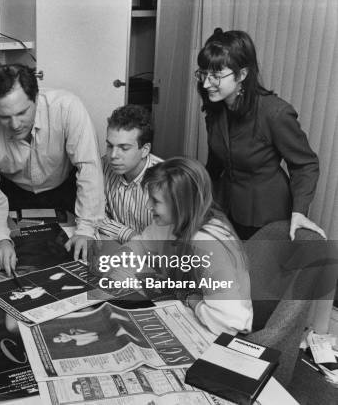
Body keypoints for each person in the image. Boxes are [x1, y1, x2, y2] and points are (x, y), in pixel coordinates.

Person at [0, 64, 105, 274]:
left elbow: (89, 169)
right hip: (14, 191)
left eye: (22, 112)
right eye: (4, 116)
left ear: (36, 97)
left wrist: (86, 230)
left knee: (86, 252)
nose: (15, 124)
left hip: (65, 186)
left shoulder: (67, 107)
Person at [196, 28, 325, 240]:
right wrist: (200, 195)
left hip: (266, 212)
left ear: (242, 75)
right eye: (203, 74)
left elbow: (306, 164)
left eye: (216, 76)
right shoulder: (216, 107)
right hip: (227, 205)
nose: (206, 83)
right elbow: (216, 162)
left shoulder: (274, 113)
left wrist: (300, 210)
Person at [115, 157, 253, 335]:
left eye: (155, 201)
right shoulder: (173, 221)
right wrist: (121, 257)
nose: (148, 205)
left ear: (180, 204)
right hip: (184, 309)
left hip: (218, 332)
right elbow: (142, 243)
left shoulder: (208, 244)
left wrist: (190, 298)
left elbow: (232, 323)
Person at [98, 105, 163, 243]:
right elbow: (94, 215)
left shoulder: (167, 179)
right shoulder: (102, 166)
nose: (113, 155)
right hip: (120, 249)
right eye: (110, 146)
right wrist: (129, 235)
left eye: (124, 148)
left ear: (145, 150)